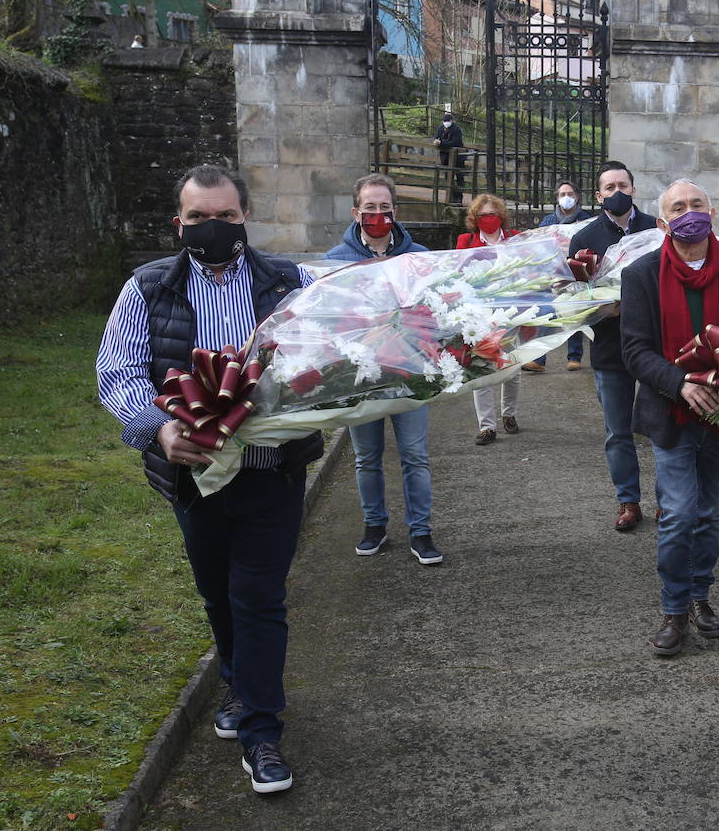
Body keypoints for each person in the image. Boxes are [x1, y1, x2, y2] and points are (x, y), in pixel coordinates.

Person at [95, 164, 320, 793]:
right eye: (198, 218)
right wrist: (158, 430)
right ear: (179, 222)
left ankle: (261, 733)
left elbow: (324, 358)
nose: (212, 228)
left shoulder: (291, 281)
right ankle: (240, 688)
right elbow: (120, 371)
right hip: (193, 478)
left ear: (244, 216)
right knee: (218, 595)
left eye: (224, 216)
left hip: (271, 473)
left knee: (260, 598)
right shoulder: (147, 288)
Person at [620, 179, 719, 656]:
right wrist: (680, 384)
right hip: (671, 413)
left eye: (696, 204)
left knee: (709, 515)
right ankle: (674, 609)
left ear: (713, 211)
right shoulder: (641, 274)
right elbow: (634, 349)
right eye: (677, 208)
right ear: (663, 222)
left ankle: (701, 596)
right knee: (679, 514)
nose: (689, 213)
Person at [323, 173, 443, 565]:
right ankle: (374, 524)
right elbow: (326, 318)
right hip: (360, 376)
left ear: (395, 211)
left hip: (409, 372)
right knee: (366, 456)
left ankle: (421, 531)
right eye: (369, 208)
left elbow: (436, 312)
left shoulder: (417, 257)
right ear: (356, 211)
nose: (377, 214)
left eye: (384, 208)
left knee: (415, 455)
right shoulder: (335, 261)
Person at [568, 161, 658, 531]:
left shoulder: (657, 228)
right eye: (609, 187)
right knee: (617, 431)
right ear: (599, 195)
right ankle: (628, 501)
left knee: (662, 427)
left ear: (633, 189)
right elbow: (573, 297)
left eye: (622, 184)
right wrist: (601, 306)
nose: (616, 192)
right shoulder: (585, 238)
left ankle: (667, 500)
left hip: (656, 345)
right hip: (609, 347)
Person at [457, 194, 523, 445]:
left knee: (512, 365)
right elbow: (459, 272)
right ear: (475, 218)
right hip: (479, 313)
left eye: (492, 214)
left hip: (510, 310)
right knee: (480, 368)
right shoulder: (466, 240)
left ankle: (509, 414)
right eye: (482, 215)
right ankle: (487, 426)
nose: (488, 219)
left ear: (501, 216)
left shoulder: (515, 238)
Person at [526, 179, 592, 372]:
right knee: (547, 313)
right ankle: (538, 359)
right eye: (562, 195)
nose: (566, 198)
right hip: (552, 272)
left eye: (570, 194)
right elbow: (539, 244)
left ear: (577, 197)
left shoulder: (586, 220)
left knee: (572, 314)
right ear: (557, 198)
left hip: (574, 271)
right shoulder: (549, 221)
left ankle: (574, 356)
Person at [434, 112, 465, 204]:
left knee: (459, 177)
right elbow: (437, 138)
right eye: (444, 121)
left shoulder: (456, 129)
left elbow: (455, 142)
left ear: (451, 121)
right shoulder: (440, 128)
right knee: (448, 177)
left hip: (458, 158)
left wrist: (442, 143)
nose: (446, 122)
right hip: (445, 157)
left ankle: (459, 197)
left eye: (447, 121)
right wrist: (436, 142)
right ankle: (452, 196)